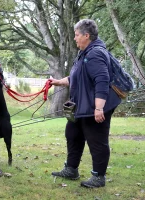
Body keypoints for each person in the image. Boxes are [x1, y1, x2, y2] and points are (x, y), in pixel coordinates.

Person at [49, 19, 121, 188]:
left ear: (86, 35)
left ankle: (98, 177)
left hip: (94, 106)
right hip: (81, 105)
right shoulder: (85, 52)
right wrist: (58, 82)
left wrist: (99, 108)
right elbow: (77, 77)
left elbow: (102, 81)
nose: (74, 38)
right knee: (73, 134)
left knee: (96, 140)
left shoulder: (96, 53)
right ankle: (71, 169)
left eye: (76, 35)